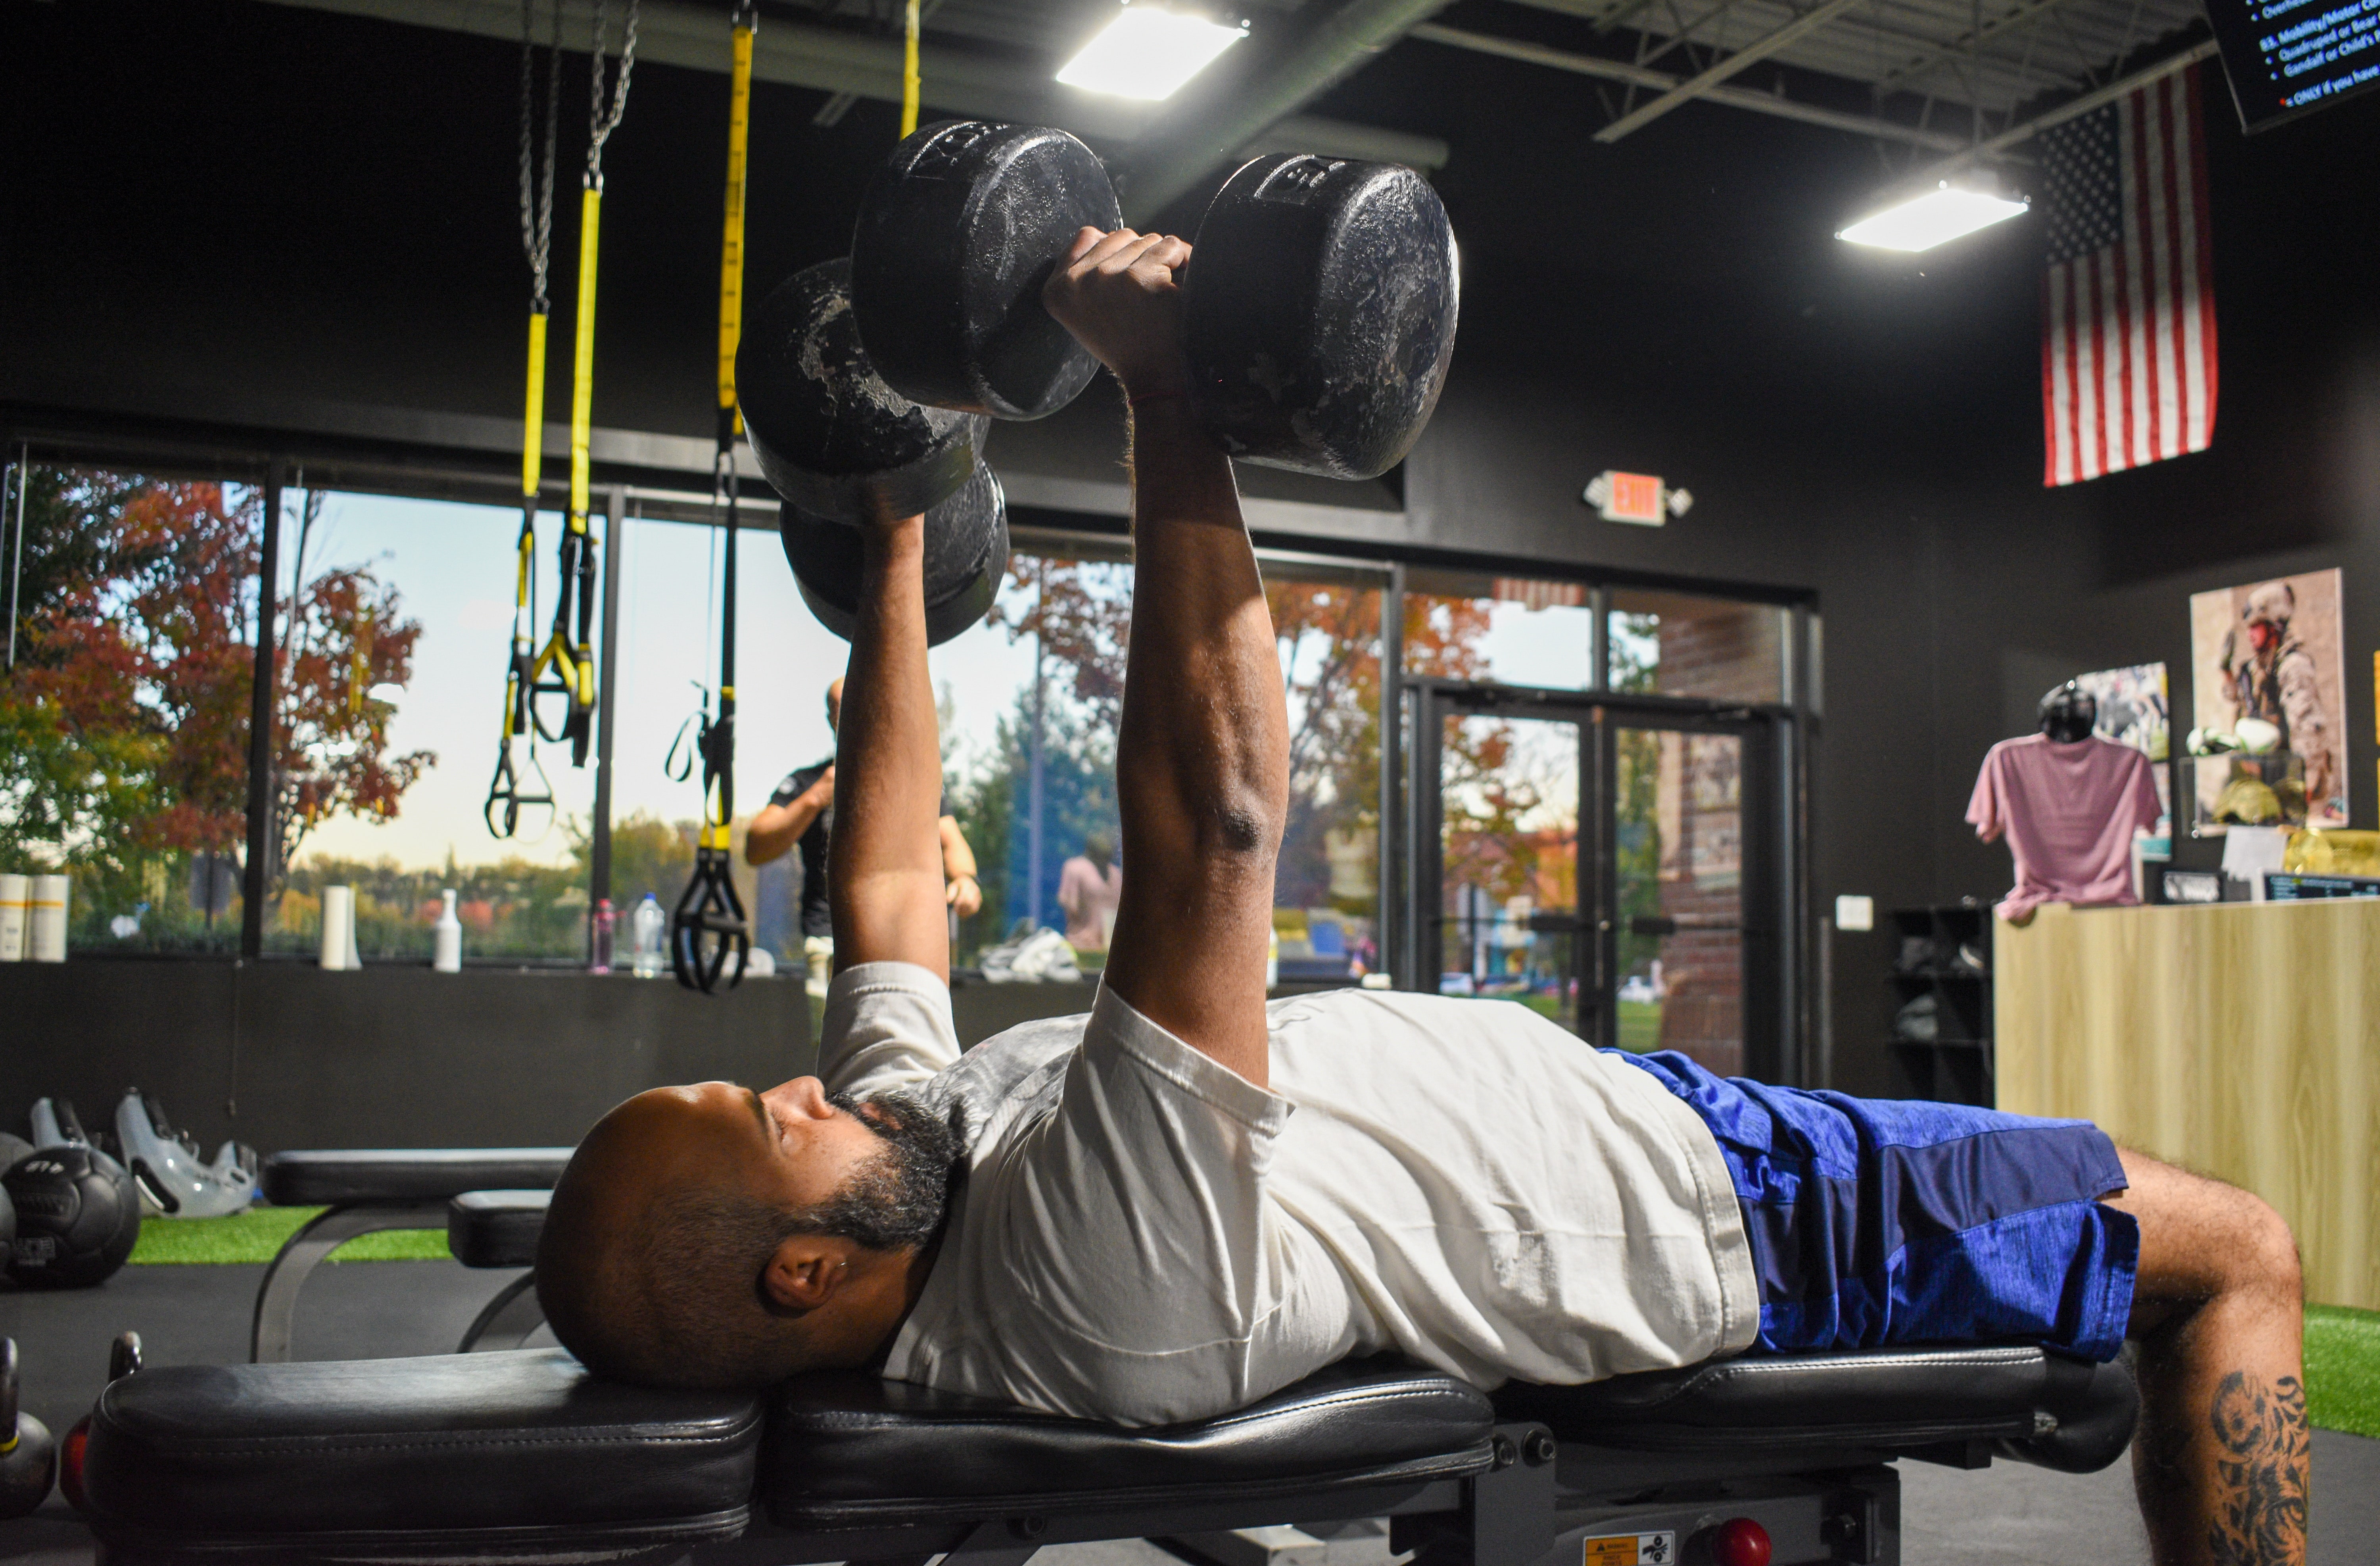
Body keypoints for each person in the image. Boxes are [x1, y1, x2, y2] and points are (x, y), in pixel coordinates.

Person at [541, 229, 2308, 1566]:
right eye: (760, 1118)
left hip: (1655, 1126)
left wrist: (906, 531)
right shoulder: (1078, 1276)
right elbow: (1219, 824)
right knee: (2233, 1249)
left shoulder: (894, 1154)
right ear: (798, 1267)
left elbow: (880, 880)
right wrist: (1165, 391)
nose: (792, 1083)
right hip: (1730, 1216)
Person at [747, 675, 981, 994]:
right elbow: (756, 847)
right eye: (841, 707)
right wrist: (815, 799)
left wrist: (965, 879)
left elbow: (951, 840)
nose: (853, 714)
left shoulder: (912, 778)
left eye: (862, 702)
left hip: (902, 940)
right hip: (830, 939)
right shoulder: (808, 782)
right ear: (832, 717)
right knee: (831, 1041)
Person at [2221, 582, 2337, 821]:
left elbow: (2309, 728)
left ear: (2275, 626)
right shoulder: (2257, 668)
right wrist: (2226, 672)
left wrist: (2308, 783)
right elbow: (2240, 699)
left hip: (2294, 782)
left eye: (2256, 627)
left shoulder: (2293, 666)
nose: (2250, 634)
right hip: (2267, 779)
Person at [1054, 832, 1121, 953]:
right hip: (1082, 946)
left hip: (1111, 947)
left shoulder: (1115, 873)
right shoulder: (1076, 868)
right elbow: (1070, 905)